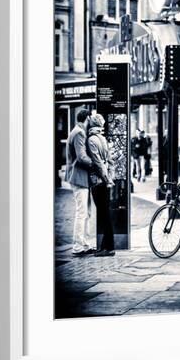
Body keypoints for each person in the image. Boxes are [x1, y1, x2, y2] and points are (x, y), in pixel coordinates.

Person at [65, 108, 97, 257]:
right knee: (82, 212)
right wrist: (96, 164)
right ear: (87, 118)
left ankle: (84, 244)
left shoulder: (76, 131)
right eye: (90, 119)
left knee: (86, 212)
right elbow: (82, 157)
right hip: (78, 178)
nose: (91, 121)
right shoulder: (79, 132)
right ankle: (78, 246)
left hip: (80, 178)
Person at [87, 113, 116, 257]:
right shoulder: (103, 139)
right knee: (105, 213)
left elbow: (98, 163)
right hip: (105, 181)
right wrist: (110, 177)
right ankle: (105, 246)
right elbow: (110, 160)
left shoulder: (92, 139)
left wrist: (106, 179)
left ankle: (109, 247)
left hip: (98, 182)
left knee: (104, 214)